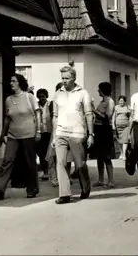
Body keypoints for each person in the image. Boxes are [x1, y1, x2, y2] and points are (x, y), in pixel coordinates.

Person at [0, 73, 41, 200]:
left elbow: (37, 114)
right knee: (7, 160)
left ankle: (32, 189)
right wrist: (3, 134)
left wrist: (38, 130)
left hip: (28, 134)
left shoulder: (29, 97)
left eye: (13, 81)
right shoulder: (8, 99)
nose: (11, 83)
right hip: (13, 135)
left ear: (20, 83)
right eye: (10, 81)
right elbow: (8, 118)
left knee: (29, 162)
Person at [51, 66, 93, 204]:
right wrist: (54, 136)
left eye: (67, 78)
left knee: (80, 164)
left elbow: (88, 114)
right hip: (61, 133)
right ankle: (65, 194)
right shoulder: (57, 94)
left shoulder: (83, 93)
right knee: (61, 162)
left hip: (77, 133)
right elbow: (55, 116)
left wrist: (91, 134)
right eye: (62, 78)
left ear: (74, 78)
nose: (64, 81)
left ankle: (85, 187)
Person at [46, 82, 73, 187]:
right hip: (55, 130)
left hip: (67, 131)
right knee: (52, 155)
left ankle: (66, 177)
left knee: (67, 156)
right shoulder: (53, 102)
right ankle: (54, 178)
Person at [92, 82, 116, 188]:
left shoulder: (110, 101)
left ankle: (111, 180)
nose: (98, 91)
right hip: (98, 130)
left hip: (105, 130)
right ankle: (101, 180)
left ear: (103, 90)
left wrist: (93, 110)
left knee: (107, 156)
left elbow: (107, 116)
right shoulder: (101, 102)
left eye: (99, 89)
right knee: (99, 157)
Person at [36, 88, 52, 181]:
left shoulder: (50, 105)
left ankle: (51, 171)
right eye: (40, 97)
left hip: (49, 132)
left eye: (43, 97)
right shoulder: (37, 106)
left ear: (46, 97)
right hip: (41, 132)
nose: (41, 98)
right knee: (42, 153)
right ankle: (45, 172)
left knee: (49, 152)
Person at [113, 95, 131, 160]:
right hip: (118, 127)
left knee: (125, 141)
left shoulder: (127, 108)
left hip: (126, 127)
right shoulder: (116, 108)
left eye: (122, 101)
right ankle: (121, 152)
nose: (121, 102)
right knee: (119, 141)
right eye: (120, 101)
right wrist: (113, 125)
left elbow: (130, 117)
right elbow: (113, 117)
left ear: (125, 101)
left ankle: (124, 155)